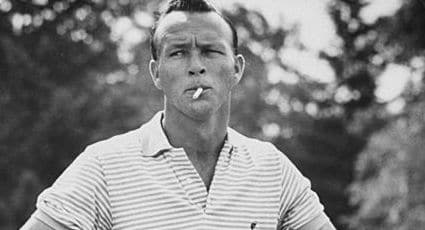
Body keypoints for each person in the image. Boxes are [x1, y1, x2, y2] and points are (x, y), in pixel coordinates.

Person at [21, 0, 336, 229]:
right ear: (156, 73)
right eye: (178, 52)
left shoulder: (272, 169)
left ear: (237, 69)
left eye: (211, 51)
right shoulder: (104, 166)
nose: (196, 65)